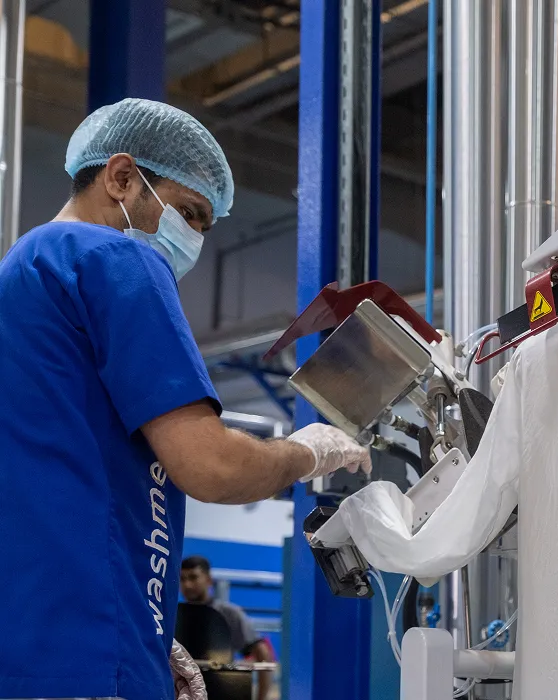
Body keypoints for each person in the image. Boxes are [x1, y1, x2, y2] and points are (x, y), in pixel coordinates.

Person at [0, 98, 371, 700]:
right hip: (88, 656)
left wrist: (142, 631)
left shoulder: (24, 271)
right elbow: (213, 467)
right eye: (190, 212)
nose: (194, 239)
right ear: (121, 178)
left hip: (35, 648)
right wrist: (306, 452)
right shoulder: (115, 257)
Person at [179, 556, 274, 700]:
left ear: (208, 580)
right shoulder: (174, 615)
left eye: (193, 577)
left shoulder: (228, 614)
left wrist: (261, 698)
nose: (187, 584)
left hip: (220, 692)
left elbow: (262, 652)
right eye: (182, 579)